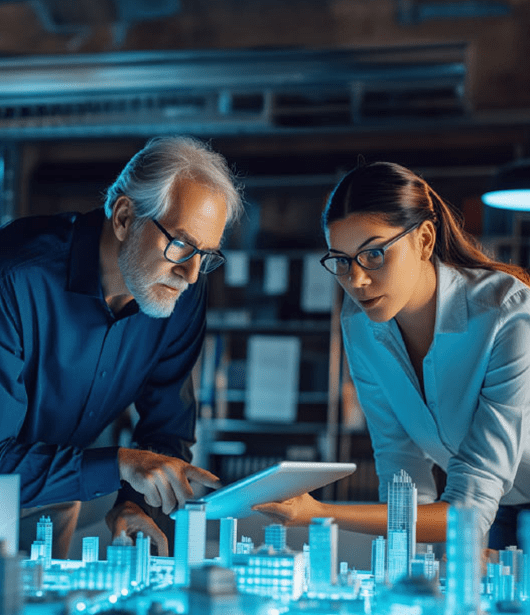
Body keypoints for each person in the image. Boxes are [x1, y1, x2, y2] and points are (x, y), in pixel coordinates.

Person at [254, 161, 530, 550]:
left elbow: (467, 513)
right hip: (493, 506)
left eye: (375, 254)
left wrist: (316, 513)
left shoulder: (508, 313)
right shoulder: (360, 326)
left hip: (482, 507)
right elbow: (401, 468)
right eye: (342, 261)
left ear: (424, 240)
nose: (358, 281)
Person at [0, 135, 243, 558]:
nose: (190, 273)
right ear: (125, 217)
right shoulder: (15, 275)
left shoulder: (179, 292)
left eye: (206, 255)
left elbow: (167, 429)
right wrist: (119, 465)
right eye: (181, 244)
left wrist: (135, 502)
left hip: (53, 495)